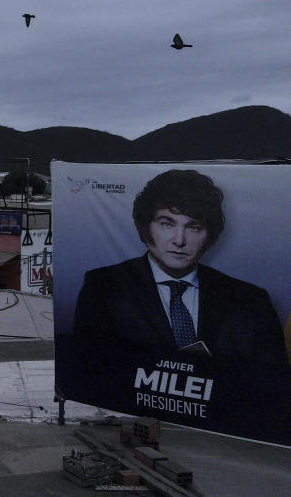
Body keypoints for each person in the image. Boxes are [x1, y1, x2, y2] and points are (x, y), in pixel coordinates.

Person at [69, 169, 291, 442]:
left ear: (209, 235)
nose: (179, 240)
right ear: (145, 227)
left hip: (226, 437)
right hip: (134, 422)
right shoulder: (104, 286)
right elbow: (87, 369)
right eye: (167, 223)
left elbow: (273, 383)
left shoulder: (250, 299)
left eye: (193, 226)